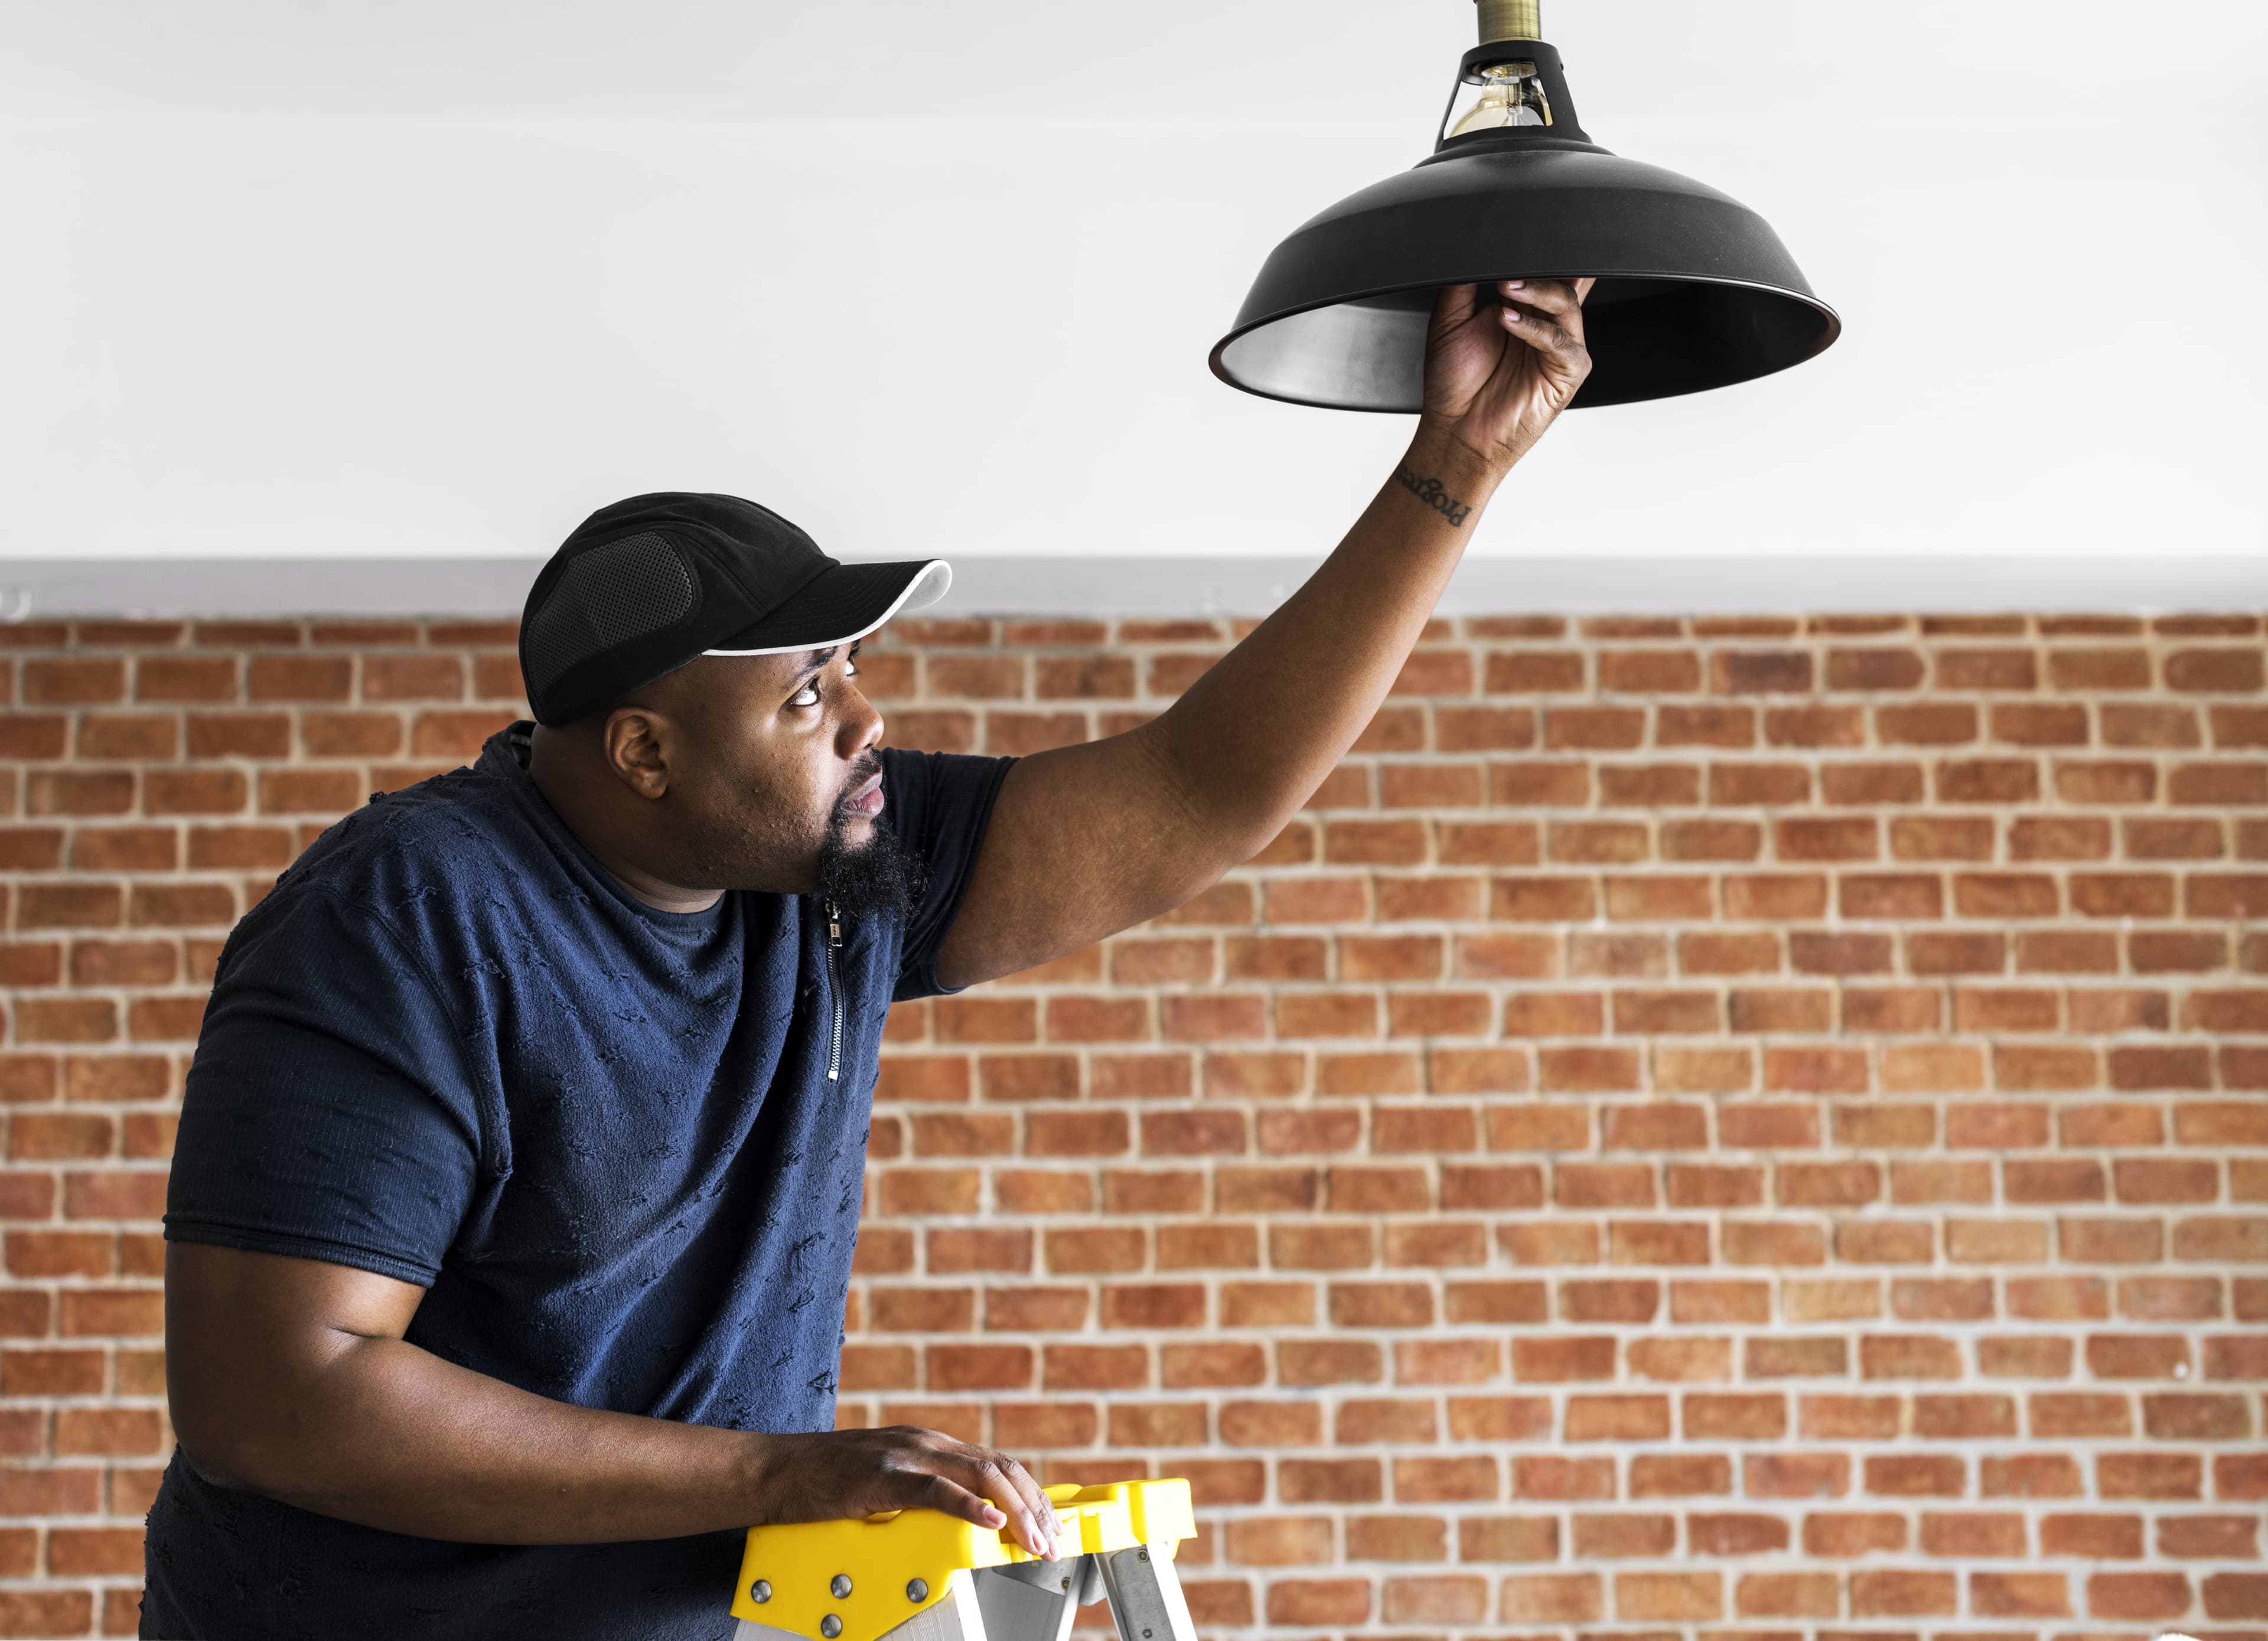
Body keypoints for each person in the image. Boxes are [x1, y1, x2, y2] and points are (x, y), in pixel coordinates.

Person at [144, 278, 1593, 1640]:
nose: (864, 717)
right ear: (644, 752)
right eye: (803, 693)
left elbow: (1194, 795)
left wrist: (1457, 462)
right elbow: (280, 1397)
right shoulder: (411, 916)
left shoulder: (834, 874)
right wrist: (776, 1478)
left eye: (849, 666)